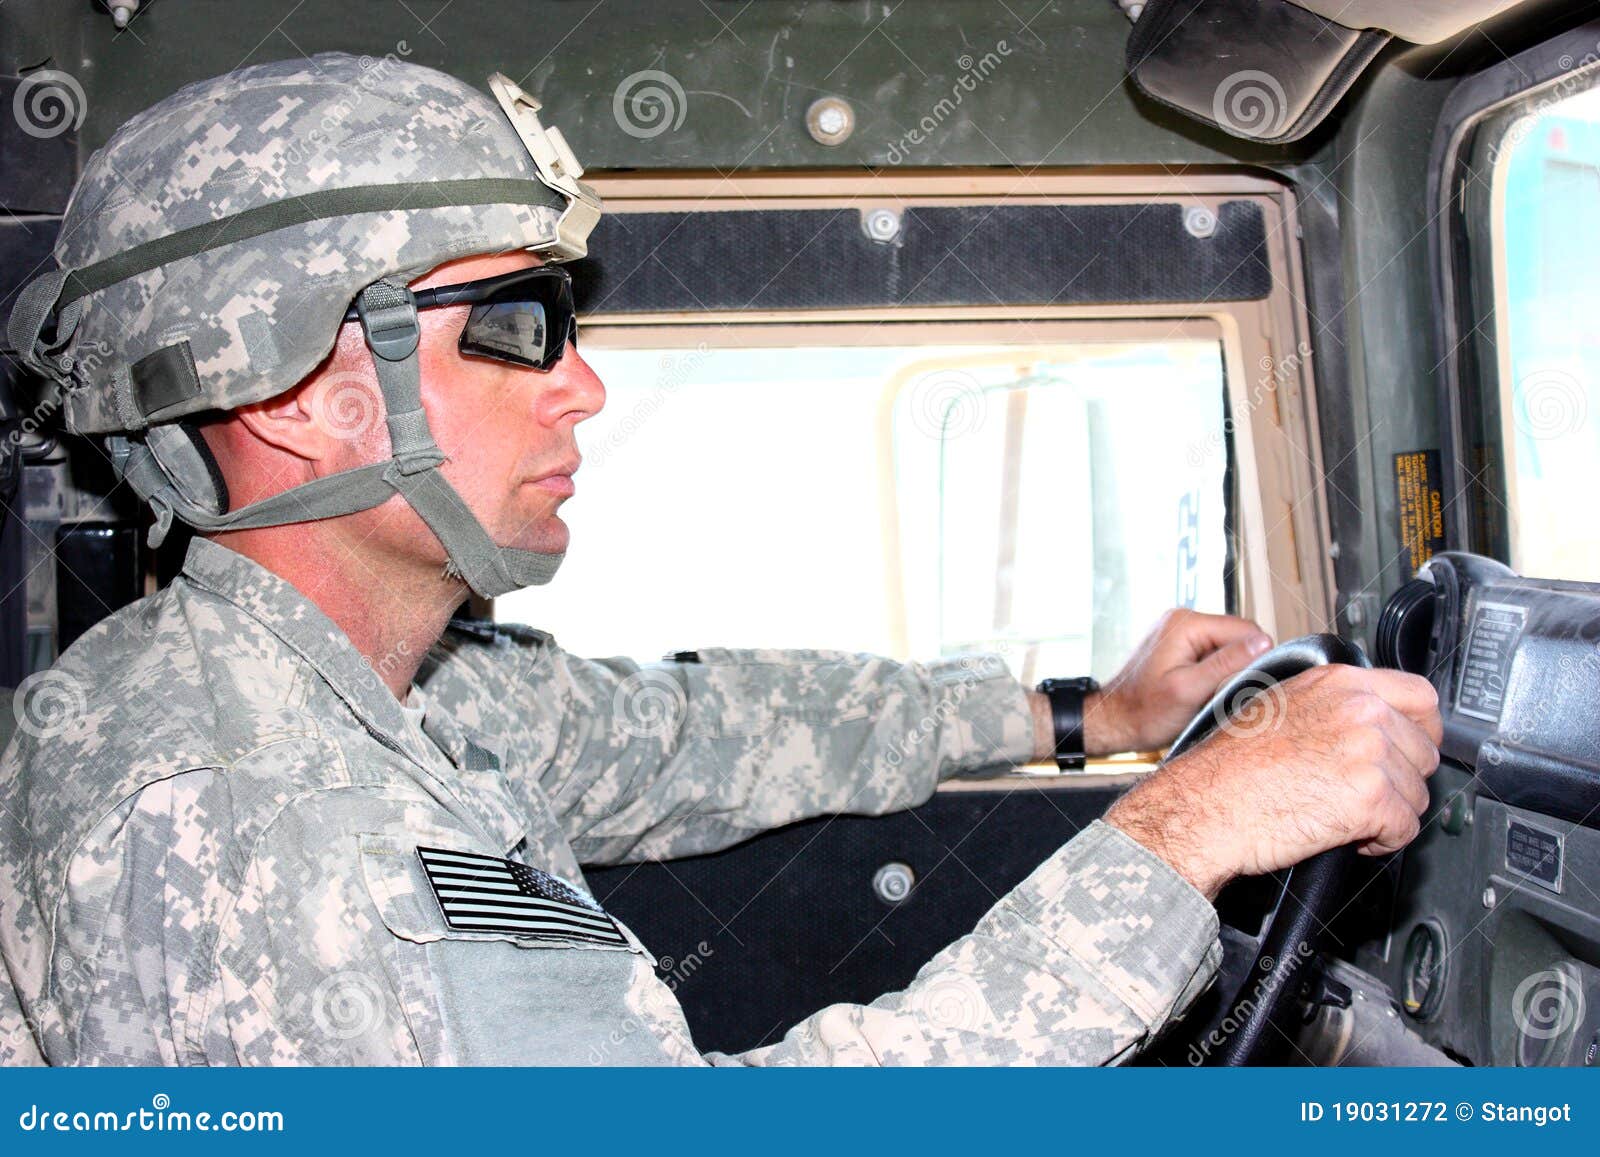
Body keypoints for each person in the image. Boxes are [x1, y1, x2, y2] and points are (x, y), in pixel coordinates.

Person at [0, 53, 1441, 1066]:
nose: (582, 386)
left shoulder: (374, 688)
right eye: (515, 325)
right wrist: (1188, 832)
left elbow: (698, 732)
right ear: (296, 395)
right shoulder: (237, 816)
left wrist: (1088, 715)